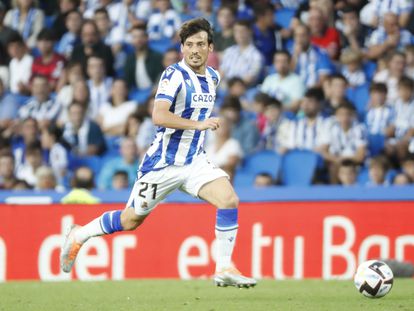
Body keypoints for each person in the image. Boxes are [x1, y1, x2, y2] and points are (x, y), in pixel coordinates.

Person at [60, 17, 256, 288]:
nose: (195, 50)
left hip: (194, 160)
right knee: (130, 220)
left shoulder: (213, 77)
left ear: (211, 47)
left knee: (229, 199)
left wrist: (198, 128)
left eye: (201, 44)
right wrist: (198, 124)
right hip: (163, 164)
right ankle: (79, 235)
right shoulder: (173, 75)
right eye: (189, 45)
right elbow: (159, 115)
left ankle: (224, 267)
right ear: (182, 49)